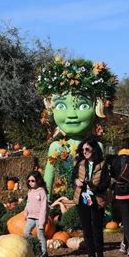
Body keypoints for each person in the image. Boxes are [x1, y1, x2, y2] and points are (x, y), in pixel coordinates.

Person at [35, 57, 117, 201]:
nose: (71, 115)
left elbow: (103, 176)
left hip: (90, 197)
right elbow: (49, 175)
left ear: (97, 108)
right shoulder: (56, 147)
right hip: (64, 198)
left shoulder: (97, 146)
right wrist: (46, 201)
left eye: (83, 106)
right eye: (61, 106)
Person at [72, 136, 110, 257]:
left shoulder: (102, 164)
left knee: (97, 229)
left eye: (87, 149)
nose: (84, 151)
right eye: (82, 149)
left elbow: (106, 183)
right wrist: (76, 181)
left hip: (96, 199)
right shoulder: (80, 163)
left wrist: (94, 188)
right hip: (82, 199)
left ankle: (100, 255)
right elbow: (73, 177)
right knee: (87, 229)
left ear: (93, 149)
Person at [24, 171, 49, 257]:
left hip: (40, 218)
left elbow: (44, 208)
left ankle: (44, 252)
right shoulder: (30, 191)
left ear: (38, 180)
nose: (30, 183)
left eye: (33, 181)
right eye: (29, 181)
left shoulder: (42, 191)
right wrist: (26, 212)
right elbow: (28, 203)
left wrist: (42, 222)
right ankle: (35, 246)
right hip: (31, 216)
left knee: (41, 235)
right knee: (26, 232)